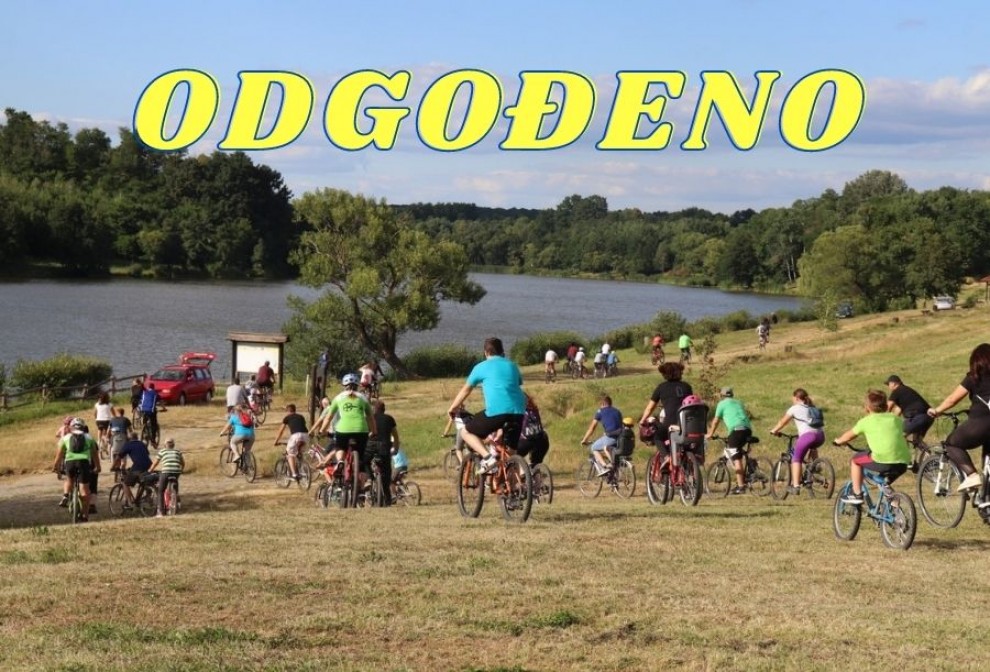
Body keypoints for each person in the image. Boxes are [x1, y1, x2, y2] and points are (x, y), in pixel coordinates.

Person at [446, 337, 526, 475]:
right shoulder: (512, 365)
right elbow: (517, 383)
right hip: (518, 411)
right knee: (511, 453)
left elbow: (466, 389)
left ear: (486, 352)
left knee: (465, 432)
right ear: (502, 352)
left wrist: (453, 407)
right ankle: (516, 485)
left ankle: (488, 458)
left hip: (496, 412)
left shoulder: (481, 367)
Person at [927, 343, 990, 492]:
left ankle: (972, 475)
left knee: (951, 444)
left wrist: (937, 410)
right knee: (987, 463)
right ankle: (985, 498)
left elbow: (952, 400)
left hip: (980, 423)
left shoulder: (973, 377)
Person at [833, 389, 911, 504]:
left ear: (867, 408)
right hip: (903, 462)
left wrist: (838, 441)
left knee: (855, 460)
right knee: (883, 482)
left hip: (882, 460)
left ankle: (857, 494)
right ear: (886, 405)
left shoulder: (866, 421)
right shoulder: (896, 419)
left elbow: (848, 436)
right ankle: (895, 508)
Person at [316, 374, 376, 486]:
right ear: (357, 385)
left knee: (340, 447)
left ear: (344, 385)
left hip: (343, 429)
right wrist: (374, 431)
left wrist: (322, 431)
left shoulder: (338, 398)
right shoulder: (363, 398)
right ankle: (363, 483)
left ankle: (340, 461)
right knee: (361, 456)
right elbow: (370, 417)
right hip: (361, 429)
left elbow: (328, 417)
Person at [769, 388, 826, 495]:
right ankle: (815, 466)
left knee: (796, 458)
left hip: (807, 436)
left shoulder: (794, 408)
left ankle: (796, 486)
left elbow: (782, 422)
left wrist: (774, 430)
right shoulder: (812, 407)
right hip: (821, 436)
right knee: (812, 446)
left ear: (796, 398)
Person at [639, 362, 693, 462]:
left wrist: (642, 420)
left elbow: (650, 408)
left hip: (670, 424)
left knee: (657, 436)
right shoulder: (687, 387)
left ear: (665, 375)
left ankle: (666, 457)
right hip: (687, 424)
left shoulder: (661, 387)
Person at [707, 387, 754, 494]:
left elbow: (716, 421)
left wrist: (710, 433)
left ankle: (741, 487)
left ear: (721, 396)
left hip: (736, 430)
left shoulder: (721, 404)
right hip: (747, 430)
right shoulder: (739, 402)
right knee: (738, 450)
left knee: (736, 458)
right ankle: (752, 469)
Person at [52, 418, 100, 521]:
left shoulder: (66, 438)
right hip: (84, 463)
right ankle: (85, 515)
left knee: (69, 480)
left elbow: (59, 455)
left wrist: (55, 466)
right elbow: (95, 455)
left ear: (71, 427)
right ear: (83, 427)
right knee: (84, 491)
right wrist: (98, 467)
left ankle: (66, 495)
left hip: (70, 463)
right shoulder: (89, 438)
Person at [581, 395, 624, 475]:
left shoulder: (600, 411)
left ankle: (605, 467)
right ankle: (613, 471)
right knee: (606, 449)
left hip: (610, 437)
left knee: (594, 448)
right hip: (621, 438)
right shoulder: (617, 411)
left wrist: (584, 439)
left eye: (600, 404)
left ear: (603, 403)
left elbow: (592, 428)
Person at [884, 374, 934, 445]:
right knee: (917, 441)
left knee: (898, 434)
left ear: (894, 383)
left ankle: (903, 451)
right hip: (929, 417)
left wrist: (880, 419)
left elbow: (887, 407)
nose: (888, 387)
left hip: (917, 417)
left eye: (888, 384)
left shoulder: (897, 390)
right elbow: (897, 412)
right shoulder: (906, 391)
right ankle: (929, 452)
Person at [369, 399, 400, 505]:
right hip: (385, 447)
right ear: (384, 409)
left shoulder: (370, 418)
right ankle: (387, 498)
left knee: (364, 463)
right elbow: (395, 436)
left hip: (371, 446)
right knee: (386, 473)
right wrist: (396, 448)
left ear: (374, 409)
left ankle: (369, 480)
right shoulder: (389, 419)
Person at [149, 437, 185, 517]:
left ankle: (161, 512)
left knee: (161, 490)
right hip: (176, 472)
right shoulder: (177, 451)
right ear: (173, 445)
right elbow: (183, 463)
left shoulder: (162, 451)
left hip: (166, 472)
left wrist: (150, 470)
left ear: (165, 445)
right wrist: (181, 470)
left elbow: (155, 463)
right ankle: (176, 498)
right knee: (175, 485)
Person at [273, 403, 309, 481]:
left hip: (296, 435)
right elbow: (301, 426)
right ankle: (302, 467)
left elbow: (281, 431)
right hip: (306, 435)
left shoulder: (287, 418)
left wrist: (276, 441)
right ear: (295, 410)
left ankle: (294, 475)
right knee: (299, 452)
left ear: (288, 411)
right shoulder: (301, 416)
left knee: (290, 454)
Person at [116, 431, 152, 505]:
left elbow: (118, 456)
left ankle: (130, 504)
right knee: (139, 478)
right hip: (149, 465)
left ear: (129, 438)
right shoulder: (142, 443)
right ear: (137, 437)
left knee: (125, 483)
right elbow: (147, 454)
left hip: (138, 466)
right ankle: (147, 490)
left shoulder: (128, 445)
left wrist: (113, 466)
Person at [516, 394, 550, 469]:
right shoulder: (534, 409)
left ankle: (521, 471)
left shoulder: (517, 411)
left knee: (510, 455)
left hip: (525, 442)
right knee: (535, 464)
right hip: (542, 440)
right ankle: (535, 472)